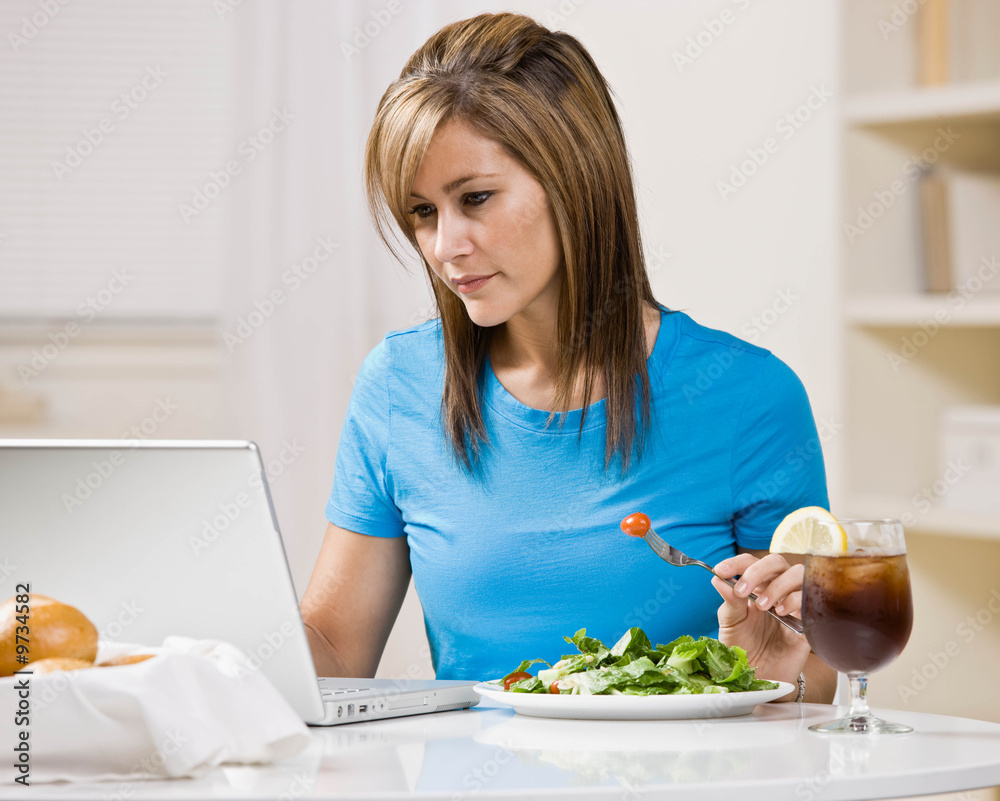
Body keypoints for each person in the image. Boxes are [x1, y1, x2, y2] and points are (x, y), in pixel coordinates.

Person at [301, 12, 836, 702]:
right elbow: (333, 653)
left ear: (575, 179)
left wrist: (775, 674)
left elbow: (810, 679)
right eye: (423, 212)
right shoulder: (399, 385)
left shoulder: (747, 396)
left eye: (475, 198)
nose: (444, 246)